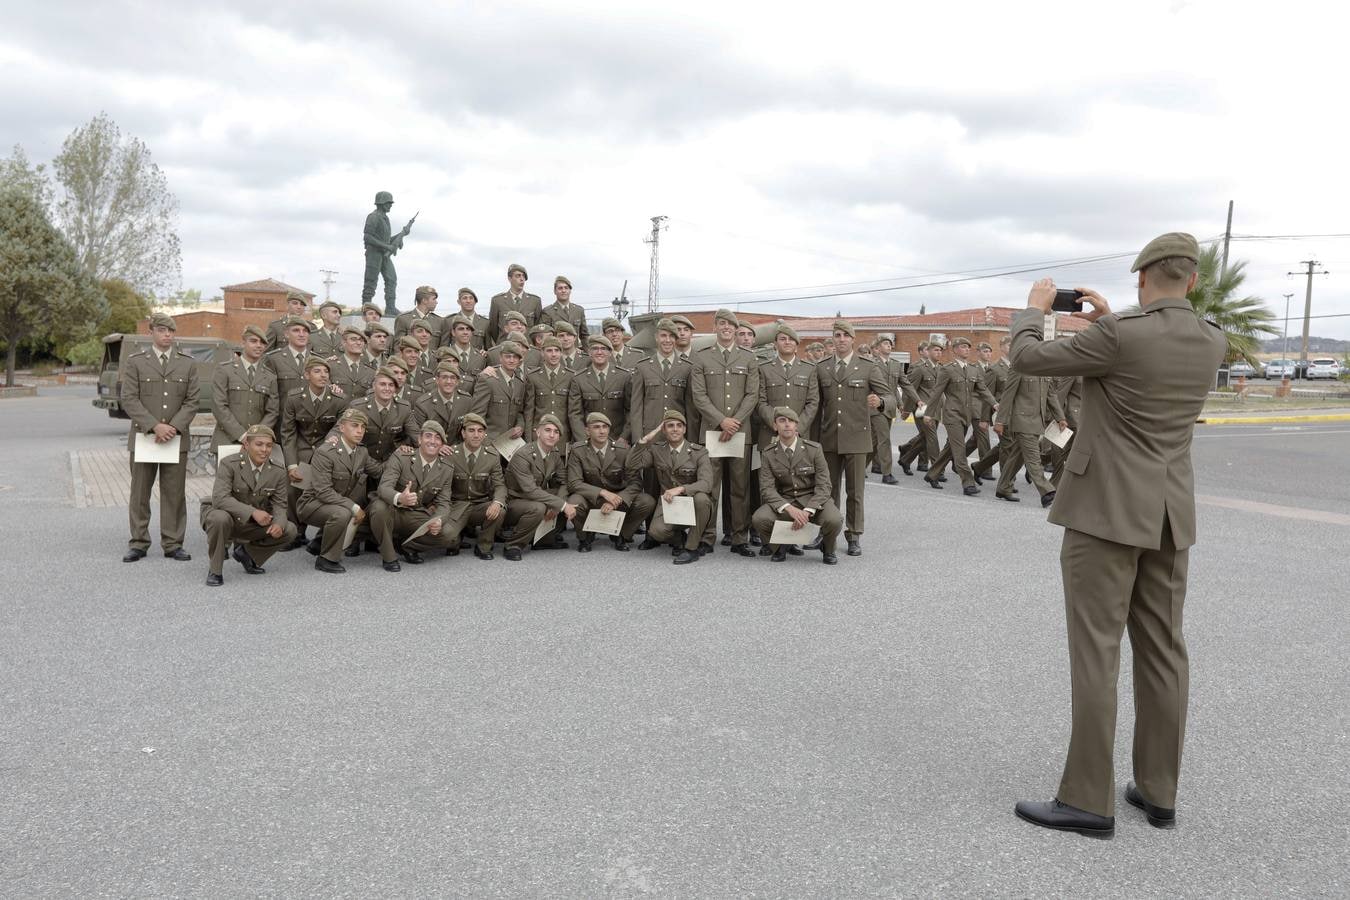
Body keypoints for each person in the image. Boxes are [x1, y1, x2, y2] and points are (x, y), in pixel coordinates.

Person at [1011, 233, 1226, 839]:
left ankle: (1087, 801)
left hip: (1105, 513)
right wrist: (1115, 322)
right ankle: (1159, 792)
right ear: (1190, 281)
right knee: (1163, 652)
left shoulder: (1120, 336)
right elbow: (1146, 351)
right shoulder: (1210, 338)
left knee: (1096, 652)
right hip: (1168, 515)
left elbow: (1028, 359)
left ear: (1142, 278)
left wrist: (1034, 308)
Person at [121, 312, 200, 563]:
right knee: (140, 492)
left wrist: (173, 427)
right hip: (146, 437)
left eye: (171, 331)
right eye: (162, 330)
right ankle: (139, 542)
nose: (167, 335)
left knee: (174, 493)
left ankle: (173, 543)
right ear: (151, 332)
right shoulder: (136, 362)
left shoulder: (187, 363)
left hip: (175, 438)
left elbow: (192, 400)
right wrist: (154, 426)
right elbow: (129, 399)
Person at [815, 320, 891, 556]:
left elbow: (889, 396)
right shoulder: (822, 367)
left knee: (855, 491)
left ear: (852, 340)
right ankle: (827, 532)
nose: (841, 340)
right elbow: (815, 406)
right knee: (828, 490)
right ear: (833, 339)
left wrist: (880, 403)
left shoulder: (868, 366)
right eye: (837, 335)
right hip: (829, 438)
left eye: (845, 336)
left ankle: (854, 534)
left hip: (858, 439)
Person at [690, 309, 760, 556]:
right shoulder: (701, 357)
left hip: (740, 433)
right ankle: (707, 537)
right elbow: (699, 395)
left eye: (731, 324)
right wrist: (721, 421)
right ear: (716, 327)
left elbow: (752, 395)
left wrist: (735, 422)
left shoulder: (749, 358)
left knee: (740, 488)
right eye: (722, 324)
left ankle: (739, 538)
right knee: (710, 487)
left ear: (735, 328)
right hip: (712, 431)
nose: (727, 327)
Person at [201, 424, 296, 586]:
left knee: (290, 529)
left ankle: (247, 553)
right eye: (259, 444)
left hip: (250, 523)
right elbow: (220, 498)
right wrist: (253, 512)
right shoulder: (229, 464)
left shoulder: (278, 470)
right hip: (226, 517)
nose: (264, 449)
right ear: (246, 445)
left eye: (268, 446)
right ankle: (215, 570)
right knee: (219, 518)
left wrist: (279, 523)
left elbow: (280, 505)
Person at [298, 407, 384, 573]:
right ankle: (326, 559)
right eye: (354, 426)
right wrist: (354, 507)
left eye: (363, 427)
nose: (359, 431)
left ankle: (319, 542)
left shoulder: (361, 452)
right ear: (342, 428)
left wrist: (402, 457)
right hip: (311, 503)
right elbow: (323, 491)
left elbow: (379, 470)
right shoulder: (326, 452)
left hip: (334, 503)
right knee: (343, 513)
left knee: (352, 508)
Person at [752, 408, 843, 564]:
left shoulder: (814, 449)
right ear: (775, 426)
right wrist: (789, 508)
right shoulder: (768, 453)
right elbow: (767, 489)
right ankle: (780, 546)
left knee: (834, 519)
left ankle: (828, 548)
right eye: (782, 421)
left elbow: (825, 486)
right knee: (759, 519)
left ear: (796, 426)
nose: (787, 425)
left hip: (812, 500)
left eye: (791, 421)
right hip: (787, 500)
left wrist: (808, 511)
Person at [627, 411, 714, 565]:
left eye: (679, 426)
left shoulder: (699, 452)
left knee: (702, 499)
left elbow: (706, 483)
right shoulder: (656, 449)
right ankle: (680, 539)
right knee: (656, 532)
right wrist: (645, 441)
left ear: (684, 429)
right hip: (669, 504)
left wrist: (681, 489)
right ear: (664, 430)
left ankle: (691, 549)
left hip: (692, 503)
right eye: (670, 426)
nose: (675, 429)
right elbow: (632, 465)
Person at [279, 356, 348, 550]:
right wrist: (291, 464)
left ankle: (322, 535)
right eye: (317, 371)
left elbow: (340, 426)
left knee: (329, 491)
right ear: (307, 374)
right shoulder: (294, 397)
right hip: (301, 449)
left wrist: (329, 443)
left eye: (326, 372)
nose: (323, 375)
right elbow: (288, 432)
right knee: (293, 490)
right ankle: (296, 533)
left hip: (327, 450)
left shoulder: (338, 398)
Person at [367, 420, 455, 570]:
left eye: (438, 438)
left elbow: (444, 502)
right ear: (419, 439)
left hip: (414, 514)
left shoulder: (446, 468)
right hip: (392, 510)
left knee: (448, 534)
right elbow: (384, 487)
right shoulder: (402, 456)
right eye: (428, 436)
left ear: (442, 445)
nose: (432, 441)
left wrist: (438, 520)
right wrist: (400, 498)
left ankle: (406, 546)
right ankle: (389, 556)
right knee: (379, 507)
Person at [566, 412, 655, 551]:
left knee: (646, 501)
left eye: (605, 427)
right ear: (587, 431)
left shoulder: (623, 450)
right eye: (596, 427)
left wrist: (619, 499)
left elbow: (636, 482)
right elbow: (574, 483)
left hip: (617, 500)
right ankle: (585, 536)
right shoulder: (578, 450)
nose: (602, 431)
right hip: (591, 498)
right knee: (573, 501)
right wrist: (603, 493)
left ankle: (621, 534)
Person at [922, 337, 996, 496]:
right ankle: (968, 483)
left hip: (966, 415)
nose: (967, 350)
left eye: (968, 347)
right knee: (959, 450)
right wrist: (929, 413)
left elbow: (983, 390)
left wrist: (994, 404)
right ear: (955, 350)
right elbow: (937, 392)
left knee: (950, 448)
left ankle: (932, 474)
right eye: (963, 347)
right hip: (952, 415)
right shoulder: (947, 369)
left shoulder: (973, 369)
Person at [992, 363, 1065, 506]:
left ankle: (1003, 487)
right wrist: (1000, 421)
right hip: (1022, 420)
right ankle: (1047, 491)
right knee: (1033, 458)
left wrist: (1060, 417)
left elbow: (1051, 395)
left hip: (1037, 422)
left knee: (1017, 456)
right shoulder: (1019, 368)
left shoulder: (1044, 370)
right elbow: (1008, 395)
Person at [502, 414, 574, 560]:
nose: (552, 435)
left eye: (556, 432)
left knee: (569, 495)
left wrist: (558, 504)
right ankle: (513, 545)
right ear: (538, 432)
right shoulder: (523, 454)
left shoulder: (553, 453)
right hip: (514, 500)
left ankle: (543, 539)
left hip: (534, 497)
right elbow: (530, 490)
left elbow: (564, 482)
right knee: (539, 507)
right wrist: (561, 505)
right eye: (547, 430)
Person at [441, 413, 507, 560]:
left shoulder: (492, 455)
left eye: (480, 431)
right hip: (456, 507)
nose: (476, 435)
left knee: (499, 511)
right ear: (463, 433)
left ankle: (484, 545)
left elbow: (500, 485)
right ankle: (458, 534)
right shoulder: (450, 454)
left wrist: (497, 502)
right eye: (471, 430)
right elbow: (440, 486)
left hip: (479, 506)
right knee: (448, 541)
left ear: (484, 434)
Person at [211, 324, 279, 452]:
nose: (259, 345)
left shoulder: (270, 376)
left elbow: (272, 411)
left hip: (257, 444)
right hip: (227, 440)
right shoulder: (225, 370)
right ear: (243, 343)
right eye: (253, 341)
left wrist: (256, 436)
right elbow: (219, 406)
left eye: (263, 343)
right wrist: (242, 436)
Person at [869, 334, 918, 485]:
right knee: (884, 439)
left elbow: (904, 385)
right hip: (875, 407)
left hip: (889, 407)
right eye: (885, 343)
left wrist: (916, 400)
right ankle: (887, 473)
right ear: (877, 349)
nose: (889, 345)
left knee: (874, 441)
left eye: (890, 344)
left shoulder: (896, 365)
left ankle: (857, 466)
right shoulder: (871, 364)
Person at [567, 335, 633, 445]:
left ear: (610, 352)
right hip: (590, 441)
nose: (599, 352)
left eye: (603, 349)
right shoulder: (579, 379)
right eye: (595, 349)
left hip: (617, 440)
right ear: (589, 352)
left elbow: (631, 410)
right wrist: (583, 441)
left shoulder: (624, 376)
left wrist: (624, 437)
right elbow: (575, 414)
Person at [898, 341, 944, 474]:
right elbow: (909, 389)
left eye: (940, 350)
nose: (939, 353)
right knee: (932, 438)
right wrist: (906, 409)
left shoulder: (941, 368)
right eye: (936, 350)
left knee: (925, 437)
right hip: (922, 409)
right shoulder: (919, 368)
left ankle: (906, 456)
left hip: (935, 409)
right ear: (928, 352)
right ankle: (937, 469)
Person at [471, 340, 527, 443]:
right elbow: (477, 415)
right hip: (490, 442)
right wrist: (483, 440)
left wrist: (520, 426)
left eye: (515, 357)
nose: (511, 360)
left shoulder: (520, 383)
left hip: (510, 442)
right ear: (500, 358)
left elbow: (519, 412)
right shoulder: (488, 380)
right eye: (508, 356)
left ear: (519, 361)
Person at [524, 336, 574, 445]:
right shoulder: (533, 376)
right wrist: (528, 440)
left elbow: (573, 411)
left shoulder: (571, 376)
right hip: (538, 437)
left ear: (561, 353)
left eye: (557, 350)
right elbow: (529, 411)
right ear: (542, 353)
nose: (554, 354)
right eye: (549, 350)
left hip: (562, 437)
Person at [412, 362, 475, 447]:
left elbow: (468, 431)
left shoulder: (466, 401)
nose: (449, 382)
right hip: (432, 449)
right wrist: (439, 447)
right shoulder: (423, 404)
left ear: (457, 382)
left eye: (453, 378)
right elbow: (417, 435)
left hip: (456, 450)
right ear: (437, 380)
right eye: (444, 377)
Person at [487, 263, 543, 343]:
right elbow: (493, 329)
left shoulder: (535, 301)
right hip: (505, 348)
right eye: (518, 276)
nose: (522, 279)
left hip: (527, 347)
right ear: (509, 278)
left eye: (523, 276)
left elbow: (537, 328)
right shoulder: (497, 301)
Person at [264, 315, 316, 400]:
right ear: (287, 334)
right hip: (285, 412)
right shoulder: (274, 359)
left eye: (305, 331)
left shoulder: (316, 359)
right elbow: (271, 396)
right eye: (296, 330)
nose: (301, 334)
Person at [329, 325, 374, 400]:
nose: (358, 343)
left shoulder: (371, 372)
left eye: (361, 340)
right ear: (344, 342)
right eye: (353, 339)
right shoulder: (331, 366)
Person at [540, 275, 589, 345]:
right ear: (555, 291)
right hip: (557, 353)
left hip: (574, 353)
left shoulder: (579, 310)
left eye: (566, 288)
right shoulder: (548, 311)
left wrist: (587, 353)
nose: (563, 291)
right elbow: (546, 337)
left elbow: (584, 336)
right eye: (560, 288)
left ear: (570, 291)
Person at [394, 285, 443, 350]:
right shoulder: (403, 319)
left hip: (431, 359)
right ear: (424, 300)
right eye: (434, 299)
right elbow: (398, 347)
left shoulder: (439, 321)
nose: (436, 302)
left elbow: (442, 349)